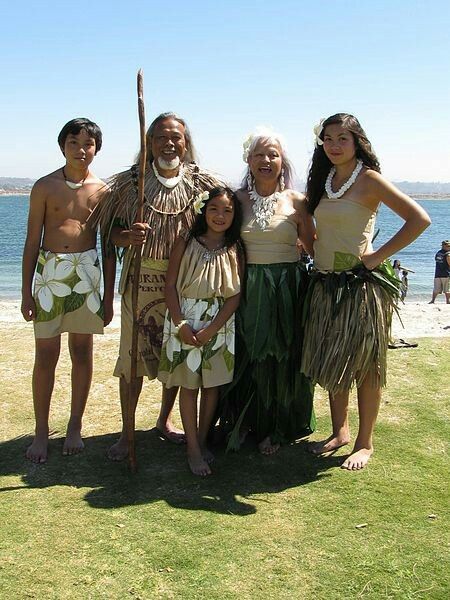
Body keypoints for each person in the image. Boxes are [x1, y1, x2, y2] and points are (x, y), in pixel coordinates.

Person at [302, 113, 431, 470]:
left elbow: (419, 219)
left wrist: (376, 256)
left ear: (357, 141)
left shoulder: (369, 179)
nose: (334, 145)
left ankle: (364, 442)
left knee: (365, 366)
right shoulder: (324, 180)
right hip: (326, 285)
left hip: (360, 287)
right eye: (328, 138)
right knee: (332, 360)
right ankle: (339, 432)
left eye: (342, 138)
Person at [93, 113, 221, 460]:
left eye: (176, 137)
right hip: (141, 280)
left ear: (186, 142)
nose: (169, 143)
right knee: (134, 359)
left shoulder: (202, 185)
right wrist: (127, 236)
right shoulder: (129, 184)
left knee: (175, 355)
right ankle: (126, 432)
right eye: (161, 137)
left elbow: (220, 227)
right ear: (149, 143)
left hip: (185, 283)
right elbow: (109, 235)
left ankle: (164, 420)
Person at [21, 118, 115, 463]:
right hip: (51, 273)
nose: (81, 149)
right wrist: (26, 291)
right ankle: (41, 431)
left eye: (88, 144)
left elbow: (109, 247)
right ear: (63, 146)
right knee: (45, 355)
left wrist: (107, 296)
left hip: (87, 274)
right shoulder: (44, 186)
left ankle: (75, 425)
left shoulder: (103, 191)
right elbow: (32, 241)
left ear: (96, 149)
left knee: (82, 352)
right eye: (74, 142)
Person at [220, 128, 316, 455]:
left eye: (273, 154)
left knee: (282, 356)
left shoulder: (298, 201)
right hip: (247, 287)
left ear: (282, 161)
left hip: (287, 286)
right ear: (248, 160)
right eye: (259, 154)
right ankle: (246, 421)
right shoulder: (236, 201)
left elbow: (315, 248)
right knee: (247, 354)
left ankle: (277, 428)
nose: (266, 160)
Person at [158, 186, 243, 475]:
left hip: (219, 323)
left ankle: (202, 439)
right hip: (184, 319)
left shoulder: (235, 248)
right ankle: (192, 448)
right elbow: (169, 285)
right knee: (188, 385)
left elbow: (235, 295)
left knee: (211, 386)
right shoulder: (186, 242)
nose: (220, 215)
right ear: (203, 211)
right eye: (214, 209)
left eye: (228, 210)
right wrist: (181, 324)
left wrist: (213, 328)